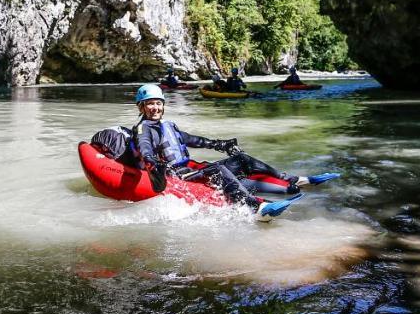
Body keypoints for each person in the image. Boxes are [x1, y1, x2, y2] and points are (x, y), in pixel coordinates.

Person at [131, 84, 308, 218]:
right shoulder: (143, 129)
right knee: (217, 170)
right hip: (177, 176)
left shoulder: (168, 126)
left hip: (190, 170)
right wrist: (152, 165)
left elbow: (195, 140)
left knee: (242, 159)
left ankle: (290, 179)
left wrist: (221, 145)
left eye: (158, 103)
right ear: (141, 107)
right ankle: (255, 207)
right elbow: (145, 147)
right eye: (150, 104)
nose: (155, 108)